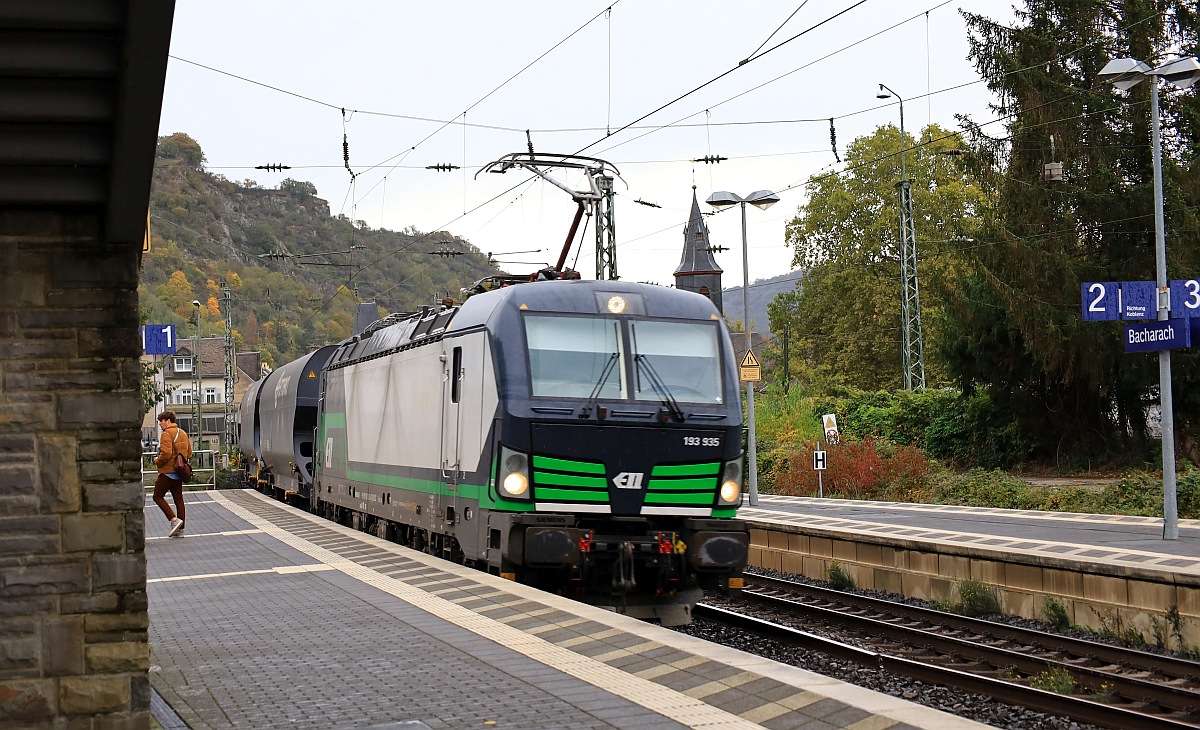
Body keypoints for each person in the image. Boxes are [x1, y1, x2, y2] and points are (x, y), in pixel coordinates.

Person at [153, 411, 191, 538]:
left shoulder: (166, 434)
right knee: (179, 500)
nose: (160, 423)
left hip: (168, 472)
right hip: (179, 472)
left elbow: (166, 454)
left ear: (168, 420)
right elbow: (189, 453)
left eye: (161, 421)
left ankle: (174, 520)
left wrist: (157, 461)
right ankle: (181, 530)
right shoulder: (183, 433)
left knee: (157, 496)